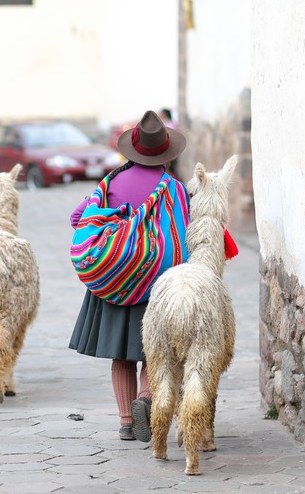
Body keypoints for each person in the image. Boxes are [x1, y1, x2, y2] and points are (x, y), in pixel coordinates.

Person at [68, 110, 189, 442]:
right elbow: (184, 233)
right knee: (154, 350)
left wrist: (117, 229)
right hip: (156, 285)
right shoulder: (173, 189)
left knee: (121, 354)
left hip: (113, 281)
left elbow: (78, 217)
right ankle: (145, 400)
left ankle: (125, 422)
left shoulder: (111, 182)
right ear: (165, 152)